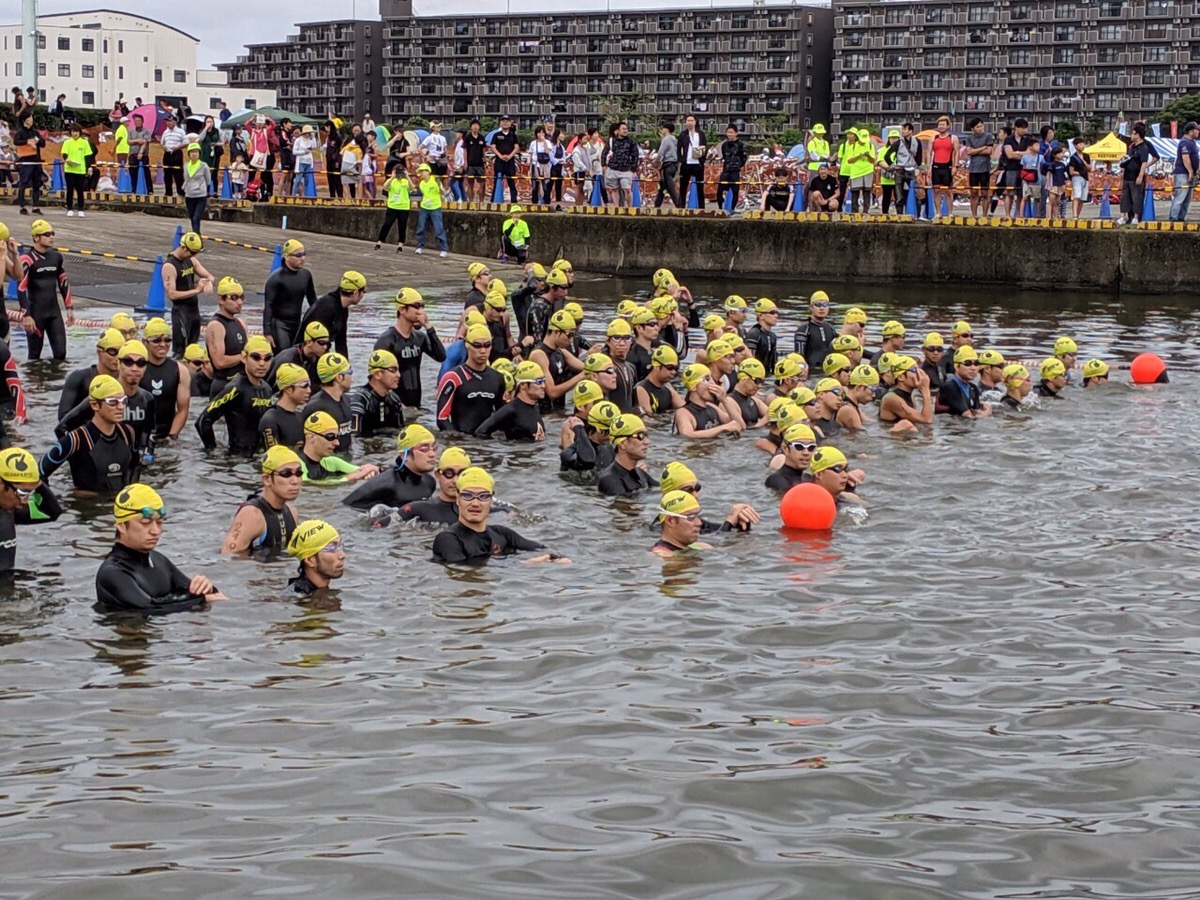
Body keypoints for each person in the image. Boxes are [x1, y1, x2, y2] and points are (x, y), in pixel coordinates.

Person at [95, 484, 226, 614]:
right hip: (129, 632)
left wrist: (206, 587)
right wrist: (201, 600)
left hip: (157, 632)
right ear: (122, 526)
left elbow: (199, 593)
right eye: (145, 523)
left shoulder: (158, 559)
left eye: (159, 522)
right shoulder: (112, 572)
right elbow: (148, 607)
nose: (155, 531)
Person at [432, 467, 561, 564]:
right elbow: (465, 575)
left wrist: (558, 560)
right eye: (468, 496)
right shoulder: (448, 539)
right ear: (458, 498)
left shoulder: (502, 533)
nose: (475, 503)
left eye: (483, 496)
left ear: (491, 499)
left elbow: (543, 550)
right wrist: (524, 565)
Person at [40, 375, 140, 494]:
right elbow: (39, 472)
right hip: (88, 508)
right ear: (95, 405)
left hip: (118, 507)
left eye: (123, 401)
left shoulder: (128, 433)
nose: (121, 407)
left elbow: (135, 467)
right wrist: (50, 505)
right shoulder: (75, 440)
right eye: (113, 402)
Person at [195, 335, 274, 454]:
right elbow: (202, 421)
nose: (262, 363)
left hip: (258, 457)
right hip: (237, 460)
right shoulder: (235, 389)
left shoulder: (267, 388)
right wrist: (212, 452)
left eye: (267, 358)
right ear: (244, 358)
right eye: (256, 357)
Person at [373, 287, 445, 410]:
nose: (421, 311)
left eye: (423, 306)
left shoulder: (420, 338)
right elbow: (376, 377)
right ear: (402, 310)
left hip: (416, 403)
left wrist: (428, 327)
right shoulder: (387, 340)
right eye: (417, 306)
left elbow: (441, 356)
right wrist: (395, 402)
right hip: (395, 405)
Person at [221, 446, 302, 556]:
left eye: (298, 473)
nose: (295, 481)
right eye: (286, 474)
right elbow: (229, 559)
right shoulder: (252, 515)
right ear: (267, 479)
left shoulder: (292, 512)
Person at [342, 423, 436, 510]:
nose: (432, 454)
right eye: (424, 448)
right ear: (404, 455)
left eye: (434, 447)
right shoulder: (387, 484)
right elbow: (345, 507)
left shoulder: (430, 483)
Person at [435, 323, 506, 434]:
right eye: (477, 345)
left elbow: (501, 416)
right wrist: (460, 439)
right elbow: (442, 419)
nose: (483, 351)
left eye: (487, 345)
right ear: (467, 345)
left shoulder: (498, 378)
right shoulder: (453, 378)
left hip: (487, 443)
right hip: (462, 441)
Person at [0, 447, 60, 573]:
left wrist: (37, 482)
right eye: (22, 493)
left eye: (29, 493)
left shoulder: (9, 510)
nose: (24, 501)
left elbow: (51, 512)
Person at [140, 318, 191, 442]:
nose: (163, 345)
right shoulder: (137, 368)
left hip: (166, 434)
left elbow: (183, 410)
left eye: (167, 340)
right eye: (156, 340)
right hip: (139, 435)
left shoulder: (180, 370)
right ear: (145, 342)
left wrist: (172, 436)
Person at [162, 231, 213, 357]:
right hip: (180, 312)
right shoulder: (169, 266)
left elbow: (209, 276)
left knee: (194, 349)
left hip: (193, 311)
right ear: (183, 247)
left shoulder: (191, 260)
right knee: (181, 352)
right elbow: (172, 294)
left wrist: (208, 283)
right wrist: (196, 290)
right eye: (192, 252)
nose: (193, 255)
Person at [263, 238, 317, 350]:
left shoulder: (305, 275)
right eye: (298, 255)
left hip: (297, 324)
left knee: (297, 356)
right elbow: (268, 305)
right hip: (279, 325)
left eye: (304, 254)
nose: (302, 258)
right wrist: (267, 332)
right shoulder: (276, 278)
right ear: (287, 256)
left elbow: (313, 302)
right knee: (284, 355)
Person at [299, 271, 366, 358]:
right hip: (305, 354)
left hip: (319, 350)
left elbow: (341, 341)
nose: (363, 295)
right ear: (356, 293)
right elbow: (317, 342)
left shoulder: (343, 308)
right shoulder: (327, 307)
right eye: (363, 292)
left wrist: (345, 366)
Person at [398, 447, 472, 525]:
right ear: (438, 475)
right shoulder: (416, 509)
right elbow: (384, 526)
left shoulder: (478, 511)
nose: (455, 481)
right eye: (449, 473)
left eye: (462, 474)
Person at [475, 361, 546, 441]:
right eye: (539, 382)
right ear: (523, 385)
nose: (543, 386)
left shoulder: (535, 406)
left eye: (544, 380)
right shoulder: (510, 410)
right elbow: (481, 432)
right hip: (519, 452)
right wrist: (500, 448)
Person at [203, 277, 249, 398]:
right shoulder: (216, 326)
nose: (240, 302)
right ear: (221, 299)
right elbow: (219, 362)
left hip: (242, 384)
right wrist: (244, 357)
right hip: (223, 387)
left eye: (241, 297)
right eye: (234, 298)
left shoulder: (241, 323)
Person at [302, 352, 355, 456]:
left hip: (345, 457)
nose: (352, 376)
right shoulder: (316, 407)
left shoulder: (346, 400)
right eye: (350, 372)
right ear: (339, 377)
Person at [598, 414, 657, 496]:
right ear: (622, 443)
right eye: (640, 436)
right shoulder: (610, 480)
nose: (647, 442)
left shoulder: (640, 473)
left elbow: (663, 489)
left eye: (646, 435)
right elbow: (624, 507)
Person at [350, 349, 405, 437]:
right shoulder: (360, 400)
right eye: (393, 370)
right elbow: (354, 438)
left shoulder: (394, 400)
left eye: (398, 370)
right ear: (377, 374)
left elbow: (401, 433)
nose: (398, 375)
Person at [284, 519, 346, 595]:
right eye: (331, 548)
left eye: (340, 546)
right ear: (310, 560)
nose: (342, 555)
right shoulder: (298, 597)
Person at [259, 363, 311, 450]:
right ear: (288, 389)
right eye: (304, 385)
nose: (309, 390)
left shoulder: (301, 416)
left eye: (309, 384)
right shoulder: (270, 420)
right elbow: (274, 458)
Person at [878, 356, 934, 431]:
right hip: (888, 439)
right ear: (901, 377)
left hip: (900, 437)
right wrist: (925, 390)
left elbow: (921, 420)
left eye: (919, 369)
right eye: (914, 370)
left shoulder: (910, 395)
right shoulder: (892, 399)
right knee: (906, 424)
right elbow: (926, 420)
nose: (920, 374)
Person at [651, 490, 711, 558]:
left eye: (699, 516)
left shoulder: (701, 547)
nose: (699, 523)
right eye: (691, 517)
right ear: (670, 521)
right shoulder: (662, 556)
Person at [270, 320, 327, 390]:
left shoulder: (316, 358)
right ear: (309, 342)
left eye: (327, 344)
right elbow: (269, 384)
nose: (325, 347)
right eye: (321, 343)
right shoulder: (287, 358)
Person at [938, 346, 991, 418]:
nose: (973, 368)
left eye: (976, 363)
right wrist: (988, 411)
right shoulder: (950, 386)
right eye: (967, 363)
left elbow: (976, 411)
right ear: (956, 367)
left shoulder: (973, 388)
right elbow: (968, 416)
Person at [764, 423, 819, 493]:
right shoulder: (776, 480)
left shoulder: (809, 478)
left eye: (811, 447)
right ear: (785, 448)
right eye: (799, 447)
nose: (806, 453)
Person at [634, 344, 684, 416]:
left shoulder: (668, 388)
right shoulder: (642, 389)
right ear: (656, 367)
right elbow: (648, 420)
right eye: (669, 367)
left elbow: (686, 409)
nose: (674, 372)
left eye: (676, 368)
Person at [793, 291, 836, 371]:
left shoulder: (831, 328)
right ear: (811, 307)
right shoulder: (804, 329)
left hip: (827, 371)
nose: (822, 308)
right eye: (818, 305)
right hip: (811, 372)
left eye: (825, 305)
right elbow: (798, 356)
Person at [413, 164, 448, 257]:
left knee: (439, 228)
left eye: (422, 171)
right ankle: (420, 246)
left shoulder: (435, 180)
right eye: (420, 172)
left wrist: (441, 190)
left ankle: (443, 249)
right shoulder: (421, 184)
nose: (421, 174)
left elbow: (442, 192)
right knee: (421, 228)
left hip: (435, 207)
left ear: (428, 171)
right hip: (424, 207)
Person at [13, 111, 45, 215]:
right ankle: (22, 206)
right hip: (26, 161)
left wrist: (37, 141)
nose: (31, 119)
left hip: (36, 161)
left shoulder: (35, 132)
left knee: (36, 184)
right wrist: (27, 142)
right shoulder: (20, 132)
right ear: (25, 119)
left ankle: (35, 206)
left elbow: (43, 143)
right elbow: (16, 141)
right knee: (24, 183)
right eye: (30, 117)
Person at [376, 167, 412, 251]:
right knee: (386, 224)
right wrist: (392, 177)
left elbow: (412, 187)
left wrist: (407, 176)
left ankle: (400, 245)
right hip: (392, 207)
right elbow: (385, 187)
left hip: (403, 207)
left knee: (402, 226)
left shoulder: (406, 181)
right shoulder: (391, 181)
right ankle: (379, 242)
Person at [61, 122, 91, 218]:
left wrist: (89, 167)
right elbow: (64, 154)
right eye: (73, 131)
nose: (75, 133)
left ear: (80, 132)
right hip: (69, 169)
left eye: (77, 131)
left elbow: (88, 157)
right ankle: (69, 208)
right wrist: (67, 159)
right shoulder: (67, 142)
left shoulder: (84, 142)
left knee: (80, 190)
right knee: (70, 189)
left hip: (80, 170)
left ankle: (81, 209)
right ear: (70, 132)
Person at [180, 143, 212, 234]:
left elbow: (208, 180)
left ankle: (197, 239)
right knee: (192, 218)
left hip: (200, 195)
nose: (194, 154)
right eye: (192, 152)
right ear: (189, 154)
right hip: (189, 195)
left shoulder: (203, 165)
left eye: (196, 152)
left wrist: (206, 190)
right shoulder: (186, 165)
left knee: (196, 218)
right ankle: (195, 237)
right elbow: (185, 179)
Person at [728, 358, 769, 428]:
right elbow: (740, 428)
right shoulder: (729, 402)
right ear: (743, 379)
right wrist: (762, 422)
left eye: (761, 382)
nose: (759, 386)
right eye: (757, 381)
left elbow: (774, 415)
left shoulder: (754, 400)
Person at [678, 114, 706, 209]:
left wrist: (702, 160)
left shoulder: (701, 134)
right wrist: (681, 160)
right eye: (688, 121)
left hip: (698, 164)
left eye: (691, 120)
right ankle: (682, 207)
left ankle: (701, 208)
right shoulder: (683, 134)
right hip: (686, 164)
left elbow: (704, 147)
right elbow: (678, 148)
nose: (690, 122)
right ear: (685, 122)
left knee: (700, 187)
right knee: (683, 187)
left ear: (695, 122)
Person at [654, 123, 681, 209]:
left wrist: (656, 161)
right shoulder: (675, 139)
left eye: (663, 128)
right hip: (675, 164)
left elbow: (661, 152)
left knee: (670, 186)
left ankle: (678, 204)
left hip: (667, 164)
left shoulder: (666, 139)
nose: (662, 130)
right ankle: (657, 205)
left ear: (666, 129)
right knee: (663, 185)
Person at [126, 113, 153, 195]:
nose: (137, 122)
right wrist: (137, 140)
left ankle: (150, 190)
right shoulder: (131, 131)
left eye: (139, 120)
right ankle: (133, 190)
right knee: (133, 172)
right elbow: (129, 141)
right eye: (135, 121)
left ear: (142, 121)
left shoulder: (147, 131)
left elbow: (145, 142)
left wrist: (140, 152)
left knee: (146, 172)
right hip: (133, 154)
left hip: (143, 154)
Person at [291, 124, 318, 196]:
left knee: (307, 180)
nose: (308, 134)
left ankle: (306, 196)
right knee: (298, 179)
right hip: (301, 162)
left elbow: (315, 146)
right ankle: (293, 195)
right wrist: (304, 152)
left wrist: (313, 137)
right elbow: (294, 152)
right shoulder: (298, 140)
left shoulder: (310, 139)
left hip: (309, 162)